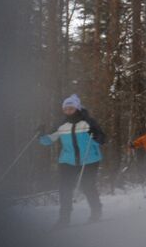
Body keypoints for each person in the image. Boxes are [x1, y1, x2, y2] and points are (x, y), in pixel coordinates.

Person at [38, 94, 107, 226]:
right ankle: (64, 218)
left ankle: (96, 211)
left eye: (71, 108)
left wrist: (95, 134)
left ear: (77, 108)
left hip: (89, 159)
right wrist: (41, 135)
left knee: (87, 186)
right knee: (65, 188)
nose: (68, 111)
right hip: (68, 160)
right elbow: (48, 141)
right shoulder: (61, 124)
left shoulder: (89, 122)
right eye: (66, 108)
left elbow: (102, 140)